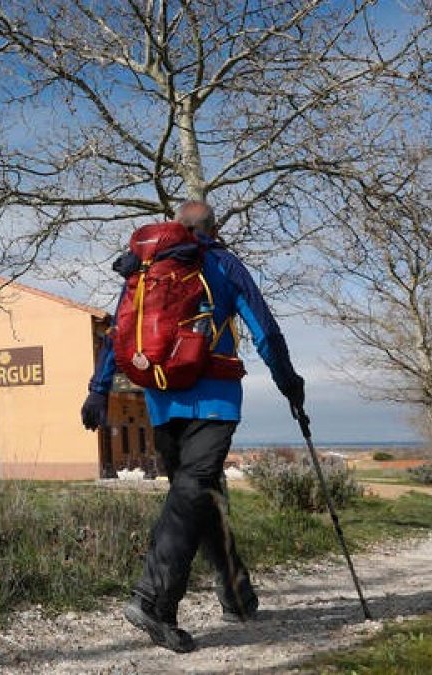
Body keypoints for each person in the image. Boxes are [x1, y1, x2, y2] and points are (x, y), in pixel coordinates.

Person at [80, 201, 305, 653]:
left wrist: (98, 390)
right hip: (215, 398)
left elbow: (116, 336)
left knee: (198, 493)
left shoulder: (143, 271)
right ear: (213, 228)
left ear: (174, 228)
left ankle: (237, 596)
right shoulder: (223, 263)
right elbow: (264, 329)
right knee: (193, 490)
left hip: (160, 400)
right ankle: (154, 600)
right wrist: (290, 384)